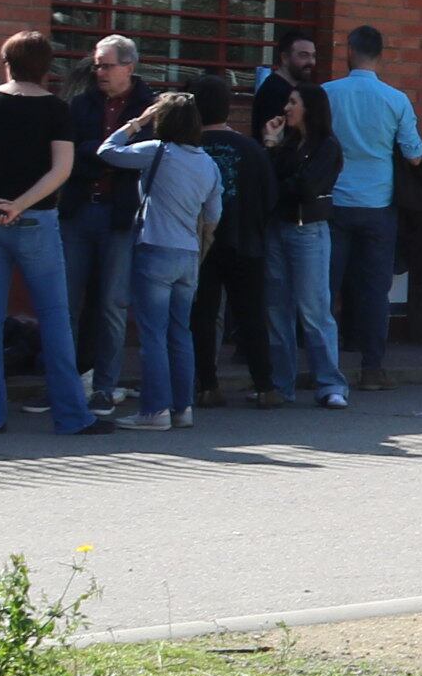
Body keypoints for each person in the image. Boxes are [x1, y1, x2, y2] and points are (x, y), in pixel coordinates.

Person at [0, 32, 107, 436]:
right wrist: (20, 204)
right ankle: (71, 416)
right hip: (35, 220)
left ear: (7, 63)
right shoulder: (55, 108)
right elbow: (62, 169)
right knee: (54, 315)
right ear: (46, 67)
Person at [95, 88, 226, 432]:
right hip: (189, 254)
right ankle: (183, 407)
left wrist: (136, 123)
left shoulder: (158, 151)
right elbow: (213, 215)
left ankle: (155, 410)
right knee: (180, 332)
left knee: (153, 334)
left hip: (155, 248)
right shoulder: (208, 164)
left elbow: (107, 151)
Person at [319, 26, 422, 393]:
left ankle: (325, 368)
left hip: (335, 201)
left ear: (349, 50)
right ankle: (372, 368)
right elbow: (414, 154)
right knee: (376, 289)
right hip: (379, 203)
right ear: (381, 55)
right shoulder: (396, 100)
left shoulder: (327, 93)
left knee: (326, 287)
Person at [63, 33, 152, 410]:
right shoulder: (81, 104)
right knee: (66, 303)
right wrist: (110, 155)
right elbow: (70, 153)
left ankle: (104, 386)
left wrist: (101, 154)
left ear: (129, 67)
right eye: (97, 65)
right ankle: (64, 385)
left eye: (107, 65)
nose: (99, 72)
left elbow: (144, 158)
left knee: (113, 304)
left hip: (120, 214)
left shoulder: (149, 108)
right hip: (79, 209)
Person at [182, 76, 283, 407]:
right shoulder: (251, 149)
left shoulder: (186, 149)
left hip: (199, 243)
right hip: (245, 240)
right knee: (251, 314)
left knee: (203, 314)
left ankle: (207, 385)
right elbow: (270, 197)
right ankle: (265, 385)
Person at [257, 61, 345, 409]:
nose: (286, 108)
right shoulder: (287, 144)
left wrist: (282, 182)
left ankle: (330, 383)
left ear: (310, 107)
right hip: (278, 228)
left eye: (293, 102)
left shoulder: (327, 146)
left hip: (308, 230)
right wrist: (271, 144)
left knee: (314, 309)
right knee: (277, 309)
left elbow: (307, 187)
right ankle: (282, 384)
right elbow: (268, 182)